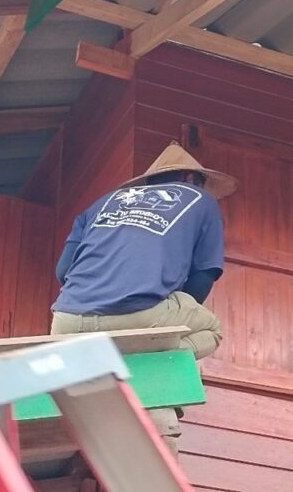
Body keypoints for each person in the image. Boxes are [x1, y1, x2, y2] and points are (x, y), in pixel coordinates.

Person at [50, 141, 237, 454]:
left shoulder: (100, 204)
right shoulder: (202, 201)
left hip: (66, 321)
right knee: (211, 329)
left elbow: (62, 271)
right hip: (139, 312)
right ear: (192, 179)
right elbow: (204, 276)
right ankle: (156, 360)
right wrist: (165, 326)